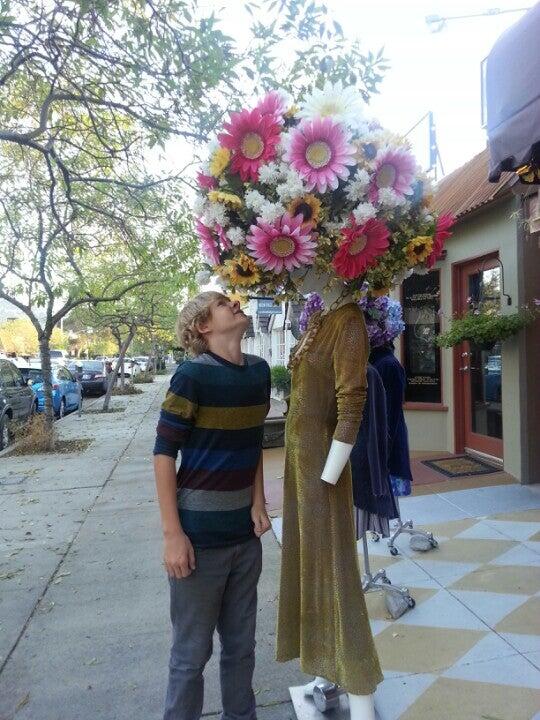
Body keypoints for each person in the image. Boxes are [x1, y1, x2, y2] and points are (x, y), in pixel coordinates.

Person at [153, 291, 272, 720]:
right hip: (198, 542)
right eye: (223, 303)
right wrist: (173, 535)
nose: (235, 302)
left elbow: (253, 441)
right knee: (191, 655)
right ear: (203, 326)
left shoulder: (259, 372)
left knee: (242, 649)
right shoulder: (191, 377)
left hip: (244, 538)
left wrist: (258, 501)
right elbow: (164, 453)